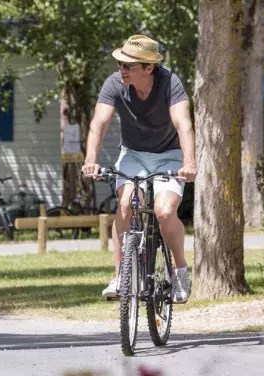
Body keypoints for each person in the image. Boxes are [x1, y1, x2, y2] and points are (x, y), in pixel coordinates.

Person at [81, 35, 197, 303]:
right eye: (120, 64)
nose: (121, 69)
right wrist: (90, 160)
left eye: (128, 66)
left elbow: (183, 124)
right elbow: (99, 124)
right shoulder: (114, 84)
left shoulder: (170, 83)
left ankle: (180, 271)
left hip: (169, 155)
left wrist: (189, 163)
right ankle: (120, 276)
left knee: (164, 211)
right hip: (133, 154)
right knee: (126, 204)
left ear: (148, 67)